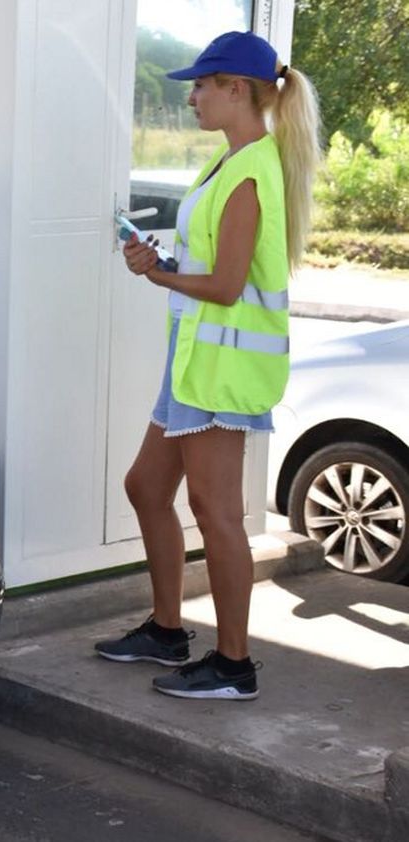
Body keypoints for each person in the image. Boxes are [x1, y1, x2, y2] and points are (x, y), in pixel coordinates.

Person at [96, 31, 320, 701]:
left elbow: (225, 285)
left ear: (236, 89)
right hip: (194, 364)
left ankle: (233, 664)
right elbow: (212, 269)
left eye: (200, 85)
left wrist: (161, 278)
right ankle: (167, 629)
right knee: (145, 486)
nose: (191, 97)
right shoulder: (229, 164)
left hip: (222, 374)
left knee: (214, 512)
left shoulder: (253, 171)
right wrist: (160, 262)